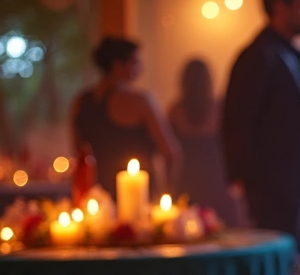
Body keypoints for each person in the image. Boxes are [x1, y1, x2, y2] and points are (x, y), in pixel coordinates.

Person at [223, 0, 300, 254]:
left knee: (296, 270)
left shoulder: (285, 54)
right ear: (280, 7)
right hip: (273, 192)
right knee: (281, 273)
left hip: (296, 187)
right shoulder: (258, 56)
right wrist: (250, 182)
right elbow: (236, 121)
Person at [72, 37, 180, 198]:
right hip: (140, 197)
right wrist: (167, 193)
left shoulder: (80, 103)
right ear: (117, 65)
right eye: (135, 62)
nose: (141, 68)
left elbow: (79, 154)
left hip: (99, 198)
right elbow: (171, 154)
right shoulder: (141, 101)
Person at [169, 59, 243, 227]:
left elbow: (170, 155)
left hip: (187, 183)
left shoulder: (175, 111)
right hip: (218, 181)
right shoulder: (220, 108)